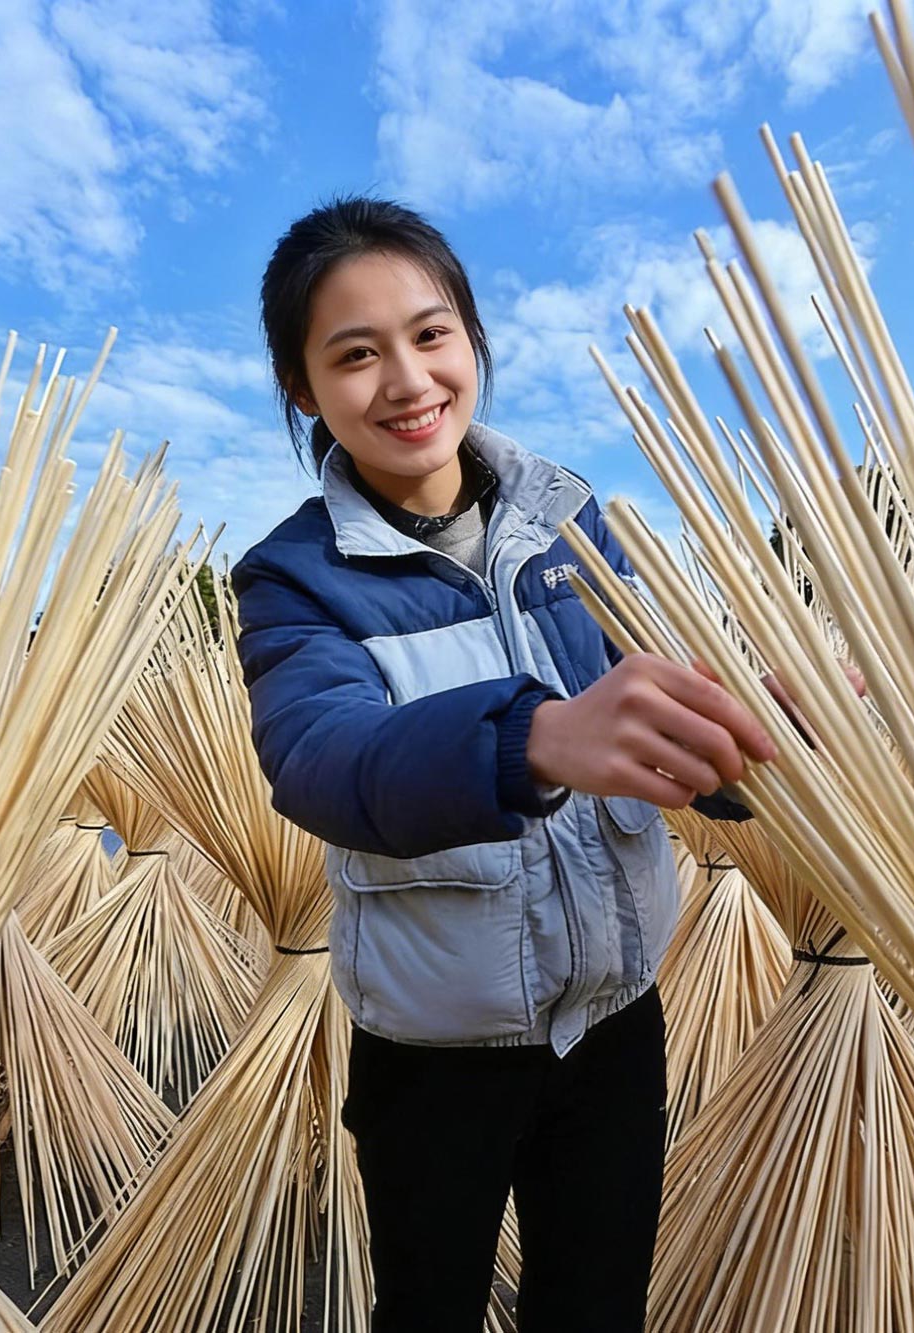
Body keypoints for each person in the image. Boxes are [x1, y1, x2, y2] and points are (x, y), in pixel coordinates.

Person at [231, 196, 778, 1333]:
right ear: (303, 388)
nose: (407, 380)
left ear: (471, 340)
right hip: (434, 1051)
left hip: (614, 1021)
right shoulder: (296, 577)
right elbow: (325, 759)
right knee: (429, 1310)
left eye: (431, 334)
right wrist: (533, 736)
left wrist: (760, 731)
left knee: (595, 1308)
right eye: (355, 354)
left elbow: (665, 728)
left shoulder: (574, 530)